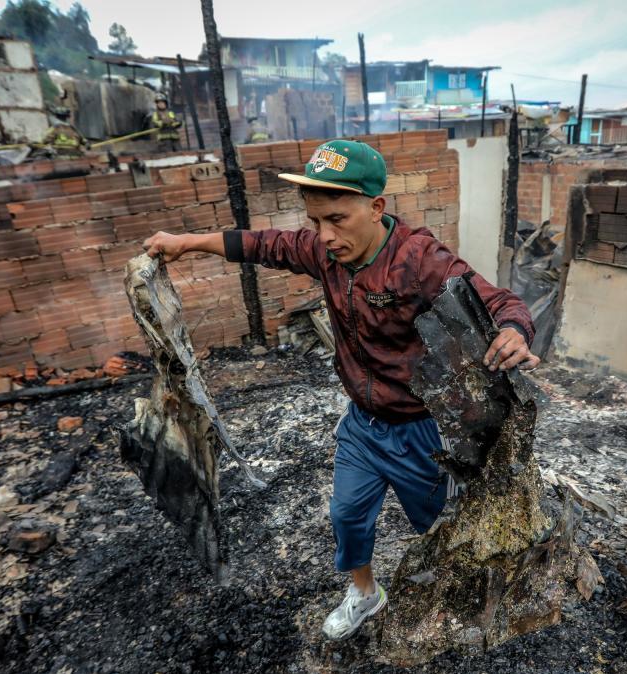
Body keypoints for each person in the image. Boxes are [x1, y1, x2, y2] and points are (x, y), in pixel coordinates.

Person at [142, 139, 538, 640]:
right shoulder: (325, 253)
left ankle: (459, 600)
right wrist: (186, 241)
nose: (324, 236)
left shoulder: (419, 259)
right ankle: (365, 595)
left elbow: (498, 300)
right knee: (347, 513)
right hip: (362, 425)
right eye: (315, 223)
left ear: (375, 207)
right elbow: (262, 244)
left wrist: (514, 331)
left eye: (336, 219)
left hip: (422, 433)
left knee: (439, 528)